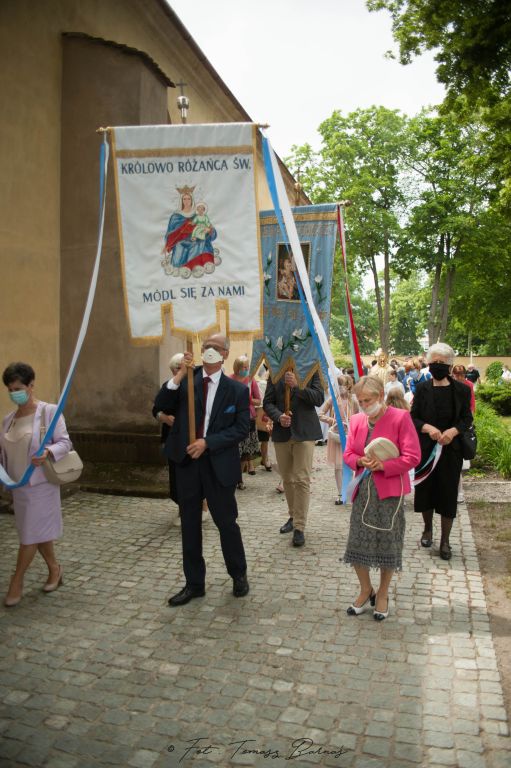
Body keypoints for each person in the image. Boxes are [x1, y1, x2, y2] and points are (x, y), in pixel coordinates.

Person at [153, 333, 250, 605]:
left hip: (218, 464)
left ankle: (238, 574)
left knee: (226, 522)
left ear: (225, 355)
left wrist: (207, 442)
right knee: (190, 524)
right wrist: (180, 375)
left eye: (216, 348)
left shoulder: (237, 391)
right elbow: (160, 405)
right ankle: (194, 583)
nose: (210, 351)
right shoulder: (187, 381)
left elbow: (241, 429)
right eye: (206, 346)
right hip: (187, 464)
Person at [343, 376, 421, 620]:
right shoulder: (357, 420)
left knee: (388, 542)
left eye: (368, 400)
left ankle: (384, 593)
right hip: (363, 491)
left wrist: (384, 465)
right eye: (360, 400)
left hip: (390, 492)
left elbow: (413, 456)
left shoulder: (400, 417)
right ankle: (366, 589)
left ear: (380, 397)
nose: (364, 405)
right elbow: (348, 452)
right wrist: (359, 460)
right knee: (357, 542)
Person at [0, 362, 72, 607]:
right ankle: (54, 568)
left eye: (18, 388)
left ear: (31, 386)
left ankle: (16, 581)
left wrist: (48, 452)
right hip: (18, 486)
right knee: (36, 533)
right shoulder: (8, 419)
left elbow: (65, 442)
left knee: (29, 536)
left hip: (41, 485)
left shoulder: (49, 412)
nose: (14, 393)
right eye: (10, 389)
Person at [411, 343, 473, 561]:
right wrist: (428, 428)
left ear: (450, 365)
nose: (437, 365)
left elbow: (467, 418)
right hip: (427, 449)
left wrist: (453, 431)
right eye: (433, 362)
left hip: (451, 450)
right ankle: (427, 529)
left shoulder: (462, 390)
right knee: (426, 490)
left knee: (448, 494)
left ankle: (445, 541)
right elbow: (414, 417)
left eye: (441, 362)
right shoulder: (422, 389)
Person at [263, 369, 324, 546]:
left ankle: (299, 526)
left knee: (301, 479)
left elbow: (319, 398)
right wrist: (278, 416)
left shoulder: (311, 369)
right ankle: (292, 516)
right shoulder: (275, 372)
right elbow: (268, 402)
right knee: (287, 479)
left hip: (305, 432)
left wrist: (297, 386)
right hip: (282, 432)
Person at [318, 374, 359, 504]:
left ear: (348, 386)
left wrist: (352, 424)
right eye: (338, 385)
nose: (340, 388)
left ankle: (350, 491)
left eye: (342, 385)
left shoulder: (354, 401)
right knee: (338, 466)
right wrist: (333, 421)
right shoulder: (333, 399)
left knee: (350, 465)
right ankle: (341, 493)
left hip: (350, 436)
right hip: (336, 437)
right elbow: (320, 414)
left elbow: (360, 418)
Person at [154, 353, 184, 523]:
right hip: (173, 438)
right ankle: (181, 510)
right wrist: (164, 418)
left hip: (192, 438)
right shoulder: (169, 386)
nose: (181, 371)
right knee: (176, 477)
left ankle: (203, 505)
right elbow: (155, 409)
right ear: (173, 370)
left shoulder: (194, 386)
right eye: (178, 368)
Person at [162, 189, 217, 271]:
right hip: (182, 241)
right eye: (184, 199)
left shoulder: (198, 214)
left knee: (202, 242)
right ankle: (182, 267)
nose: (187, 201)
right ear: (181, 200)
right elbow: (171, 233)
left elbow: (210, 228)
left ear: (192, 200)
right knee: (180, 245)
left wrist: (209, 230)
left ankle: (200, 266)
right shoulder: (176, 216)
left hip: (198, 238)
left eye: (189, 199)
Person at [230, 356, 261, 487]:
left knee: (245, 450)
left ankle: (239, 479)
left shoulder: (251, 380)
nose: (247, 369)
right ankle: (233, 476)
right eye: (244, 367)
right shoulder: (229, 379)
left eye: (248, 367)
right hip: (232, 419)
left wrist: (249, 399)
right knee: (234, 449)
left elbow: (258, 400)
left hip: (248, 419)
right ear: (237, 367)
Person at [254, 365, 272, 472]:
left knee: (263, 438)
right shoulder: (262, 383)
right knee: (261, 438)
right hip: (261, 412)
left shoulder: (263, 383)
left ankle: (264, 460)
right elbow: (261, 400)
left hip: (264, 411)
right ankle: (262, 460)